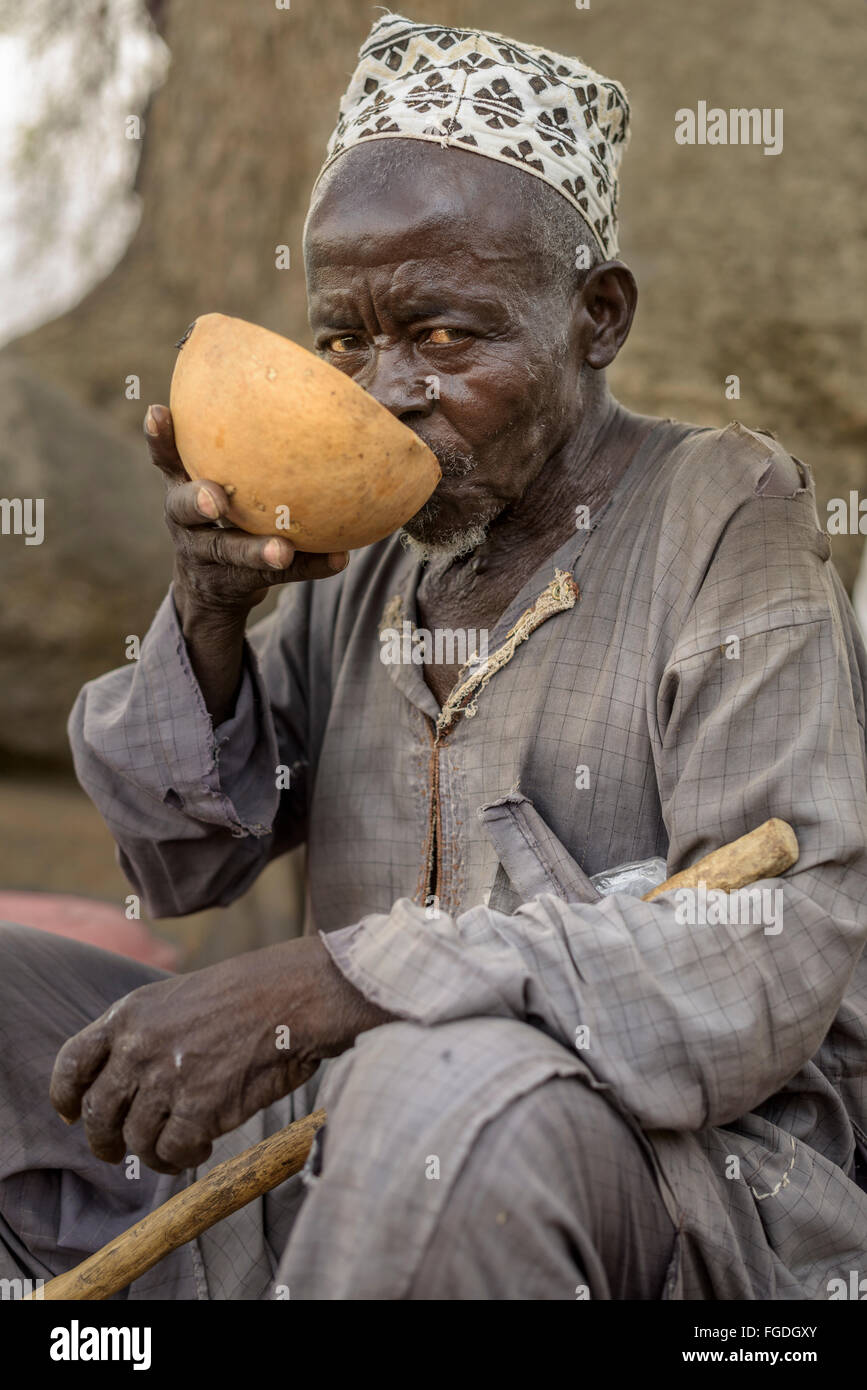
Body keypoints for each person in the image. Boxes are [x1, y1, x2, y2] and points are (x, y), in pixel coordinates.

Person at [2, 13, 866, 1301]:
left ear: (597, 317)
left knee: (437, 1085)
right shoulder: (385, 558)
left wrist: (343, 983)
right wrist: (205, 615)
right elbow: (181, 858)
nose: (386, 390)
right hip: (332, 1136)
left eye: (447, 336)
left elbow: (771, 949)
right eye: (346, 341)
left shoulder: (730, 520)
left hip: (652, 1186)